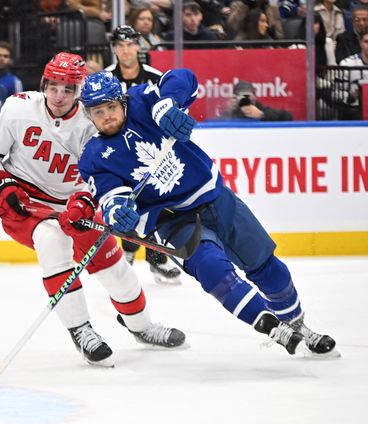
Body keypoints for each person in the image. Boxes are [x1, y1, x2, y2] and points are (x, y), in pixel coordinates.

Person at [76, 70, 339, 357]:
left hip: (215, 197)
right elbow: (110, 194)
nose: (107, 116)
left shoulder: (142, 101)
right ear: (89, 115)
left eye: (111, 107)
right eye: (98, 111)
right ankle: (274, 328)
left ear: (122, 102)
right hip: (173, 221)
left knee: (266, 265)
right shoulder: (92, 156)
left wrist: (167, 104)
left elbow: (183, 78)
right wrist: (117, 211)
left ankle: (299, 325)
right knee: (215, 271)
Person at [0, 52, 186, 367]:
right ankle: (81, 330)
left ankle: (142, 327)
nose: (59, 96)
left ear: (79, 91)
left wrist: (86, 200)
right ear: (44, 83)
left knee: (118, 273)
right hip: (27, 203)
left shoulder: (92, 122)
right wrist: (1, 185)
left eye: (68, 89)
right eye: (54, 86)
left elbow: (104, 172)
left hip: (77, 205)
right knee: (51, 241)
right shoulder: (17, 109)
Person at [104, 25, 181, 284]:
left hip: (152, 150)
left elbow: (170, 107)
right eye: (120, 45)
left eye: (130, 44)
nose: (125, 50)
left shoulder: (155, 76)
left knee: (155, 202)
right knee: (127, 203)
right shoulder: (106, 79)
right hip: (118, 150)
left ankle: (154, 259)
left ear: (138, 46)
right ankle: (127, 253)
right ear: (114, 48)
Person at [217, 80, 293, 120]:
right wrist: (229, 111)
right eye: (242, 96)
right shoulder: (233, 112)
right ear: (235, 98)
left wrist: (261, 115)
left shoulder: (260, 109)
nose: (245, 98)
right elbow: (217, 126)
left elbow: (287, 116)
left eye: (248, 95)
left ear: (254, 96)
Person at [334, 30, 368, 119]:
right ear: (360, 43)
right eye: (366, 42)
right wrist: (350, 97)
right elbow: (336, 93)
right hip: (355, 110)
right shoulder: (347, 64)